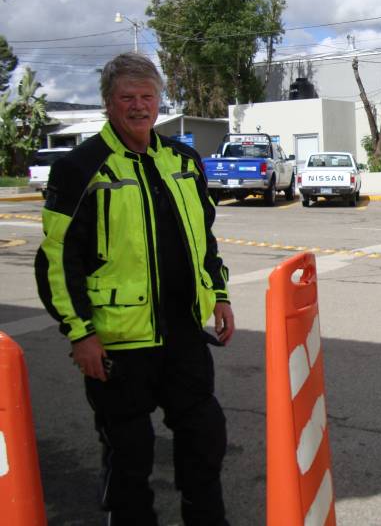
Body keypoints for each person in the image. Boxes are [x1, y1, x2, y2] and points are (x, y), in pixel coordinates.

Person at [35, 52, 235, 525]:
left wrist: (220, 295)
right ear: (109, 102)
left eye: (147, 96)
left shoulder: (183, 160)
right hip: (118, 343)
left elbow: (203, 239)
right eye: (128, 97)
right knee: (130, 452)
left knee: (204, 435)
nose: (139, 106)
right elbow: (57, 260)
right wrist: (80, 333)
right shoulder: (79, 168)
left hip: (183, 334)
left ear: (159, 100)